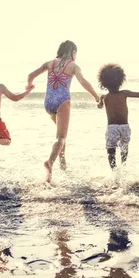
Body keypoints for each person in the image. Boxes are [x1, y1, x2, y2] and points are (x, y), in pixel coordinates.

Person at [27, 41, 101, 182]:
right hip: (62, 101)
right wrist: (97, 97)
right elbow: (83, 82)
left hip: (48, 102)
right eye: (76, 53)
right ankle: (50, 162)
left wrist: (29, 86)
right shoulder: (73, 66)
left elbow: (31, 75)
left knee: (61, 134)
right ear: (73, 52)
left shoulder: (49, 63)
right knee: (61, 137)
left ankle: (63, 162)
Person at [97, 64, 139, 169]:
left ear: (103, 83)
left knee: (110, 149)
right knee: (124, 148)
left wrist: (100, 102)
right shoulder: (124, 93)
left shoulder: (105, 97)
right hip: (125, 126)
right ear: (121, 81)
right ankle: (123, 166)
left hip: (112, 127)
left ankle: (114, 170)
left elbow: (99, 106)